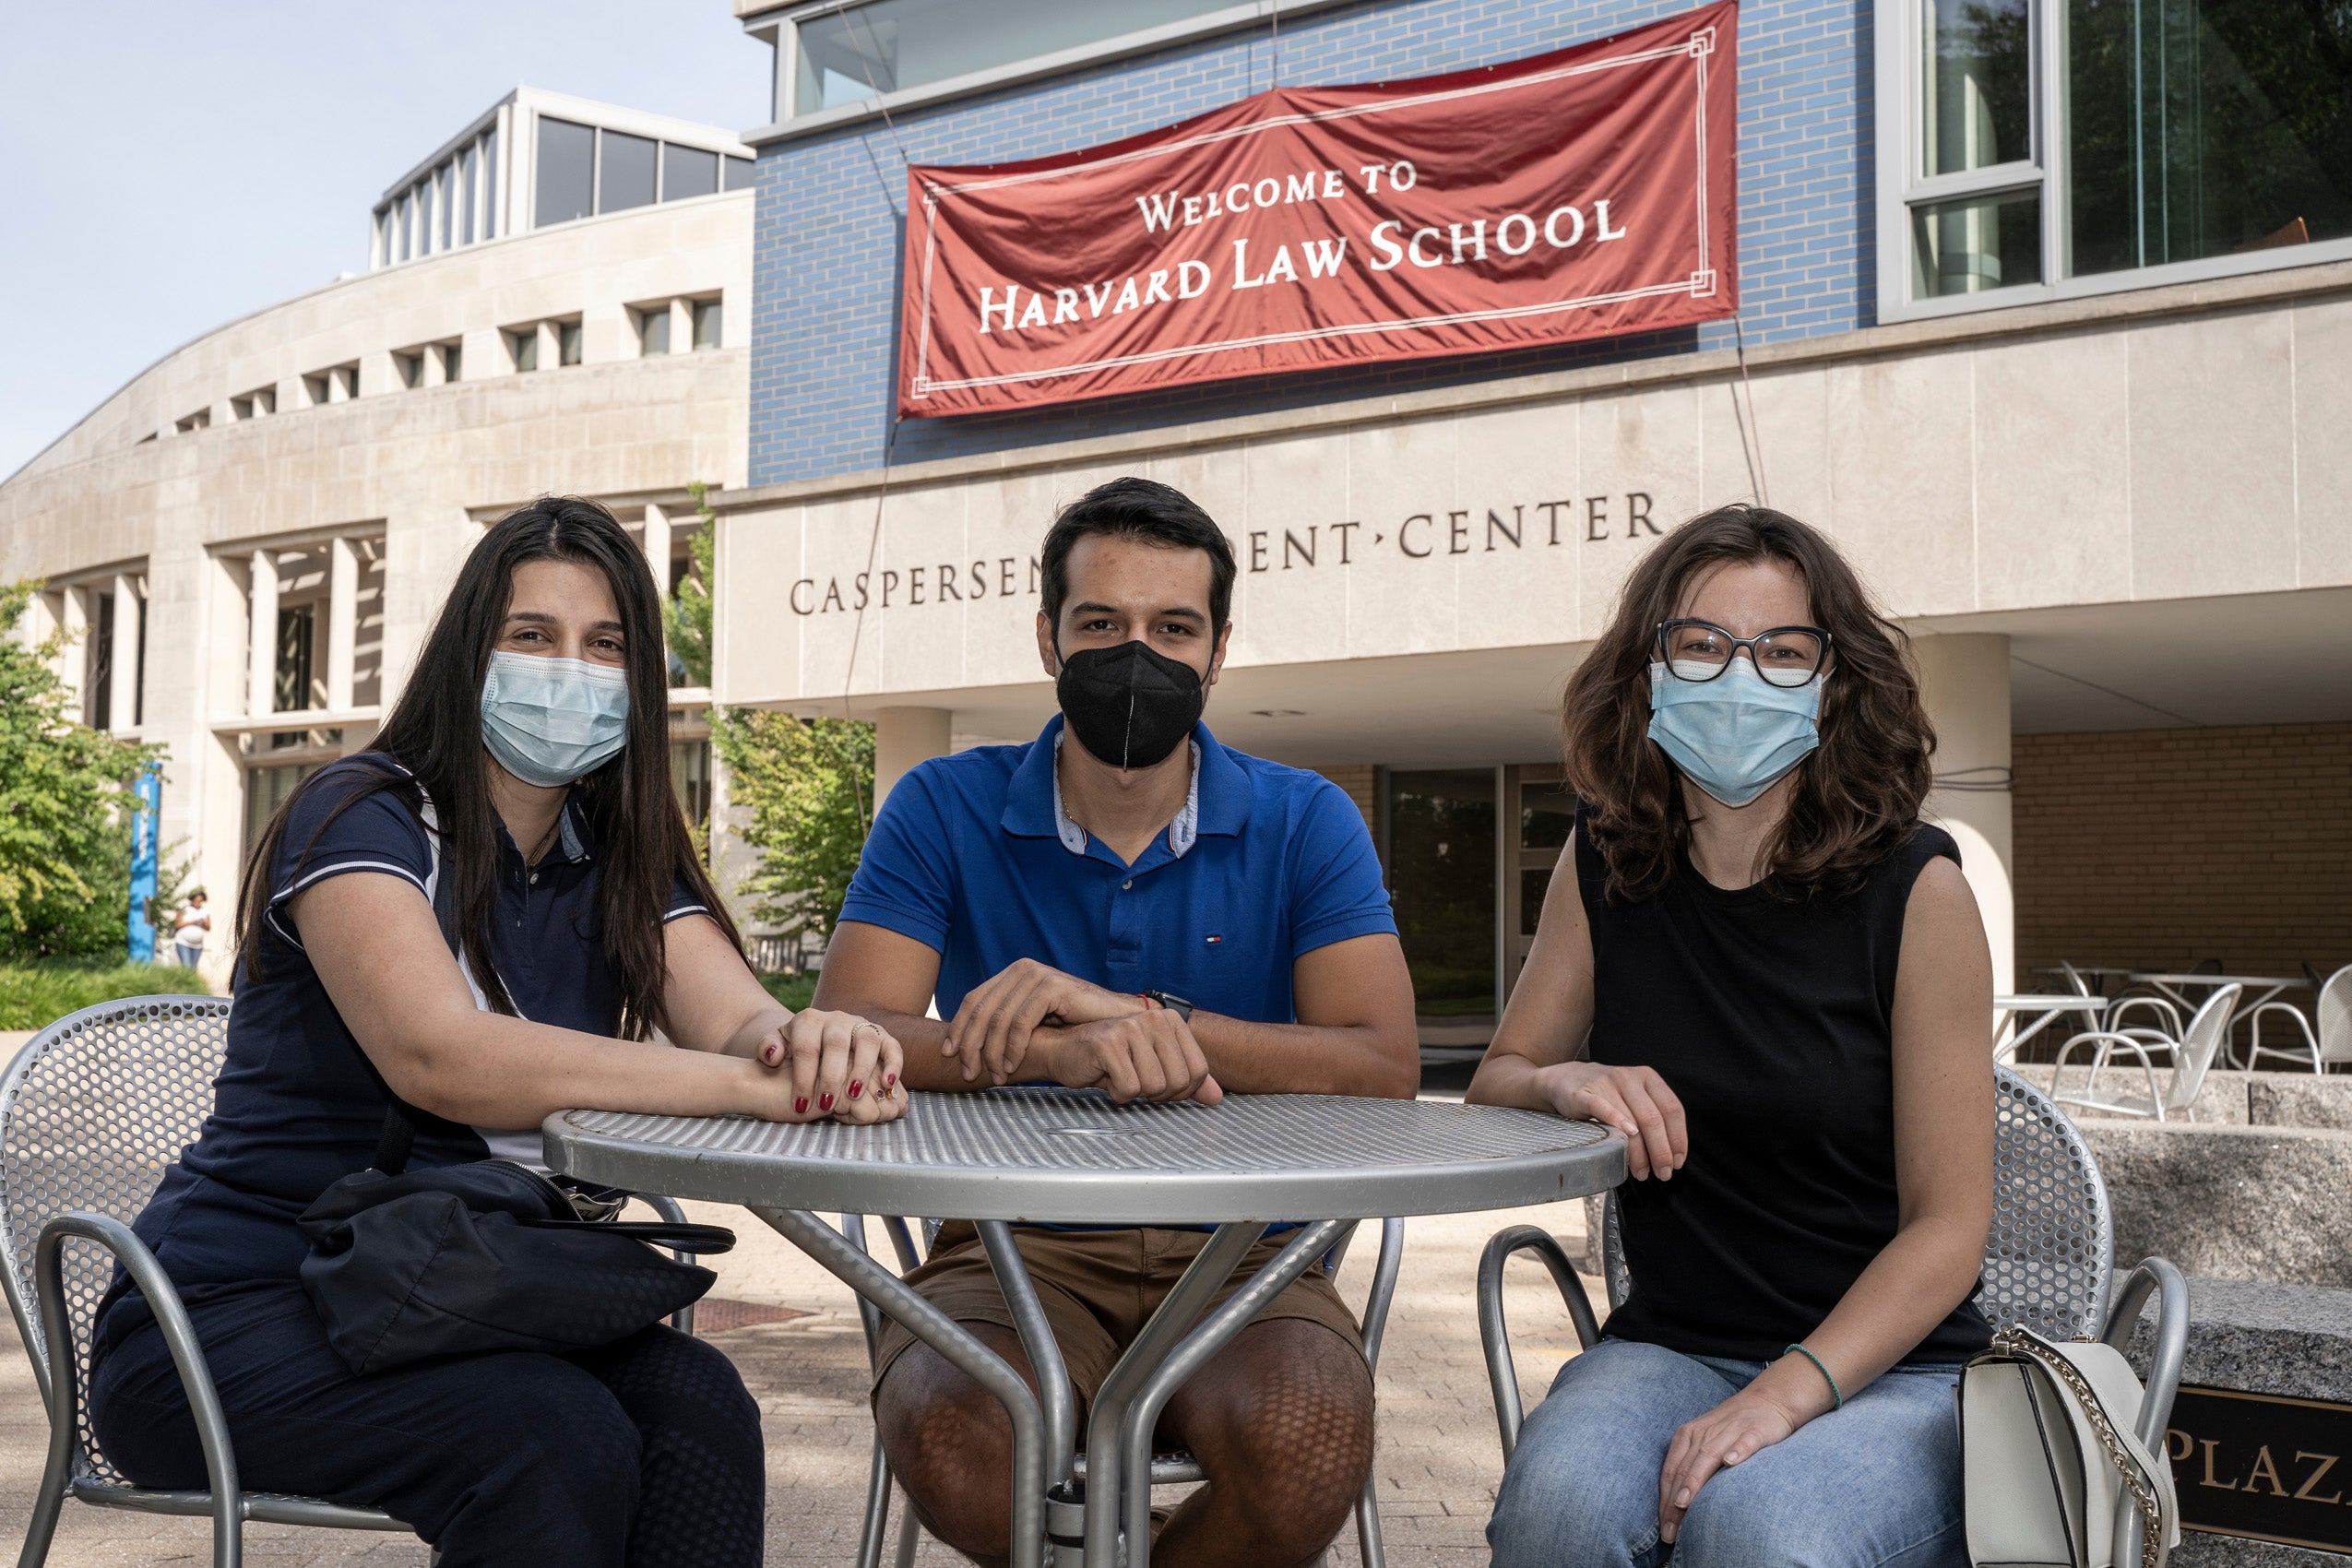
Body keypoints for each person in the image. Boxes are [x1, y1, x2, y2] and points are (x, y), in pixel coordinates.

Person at [89, 497, 907, 1568]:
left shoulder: (617, 853)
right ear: (470, 649)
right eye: (533, 635)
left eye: (606, 644)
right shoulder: (359, 813)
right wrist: (750, 1087)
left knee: (702, 1405)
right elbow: (442, 1055)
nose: (570, 666)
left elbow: (742, 1019)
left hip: (461, 1295)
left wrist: (810, 1050)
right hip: (232, 1311)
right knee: (552, 1440)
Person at [814, 476, 1419, 1568]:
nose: (1135, 653)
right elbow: (850, 1030)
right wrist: (1062, 1050)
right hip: (1006, 1247)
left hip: (1250, 1251)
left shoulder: (1306, 818)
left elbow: (1381, 1066)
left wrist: (1140, 1017)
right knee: (953, 1433)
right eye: (1101, 623)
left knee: (1311, 1441)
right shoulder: (944, 806)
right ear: (1047, 636)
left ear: (1219, 649)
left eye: (1172, 627)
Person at [1472, 505, 1994, 1568]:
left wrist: (1782, 1394)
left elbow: (1949, 1229)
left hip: (1892, 1369)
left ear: (1833, 681)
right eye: (1702, 643)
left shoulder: (1920, 889)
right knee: (1557, 1513)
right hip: (1672, 1341)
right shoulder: (1606, 861)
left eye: (1782, 649)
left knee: (1756, 1530)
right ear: (1646, 666)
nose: (1738, 674)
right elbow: (1498, 1084)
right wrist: (1571, 1081)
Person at [172, 887, 208, 969]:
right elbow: (177, 924)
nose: (198, 903)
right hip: (183, 943)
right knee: (187, 967)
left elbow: (208, 927)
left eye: (200, 901)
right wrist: (192, 922)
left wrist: (203, 923)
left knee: (193, 968)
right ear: (192, 899)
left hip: (197, 945)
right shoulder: (184, 909)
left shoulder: (204, 911)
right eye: (196, 900)